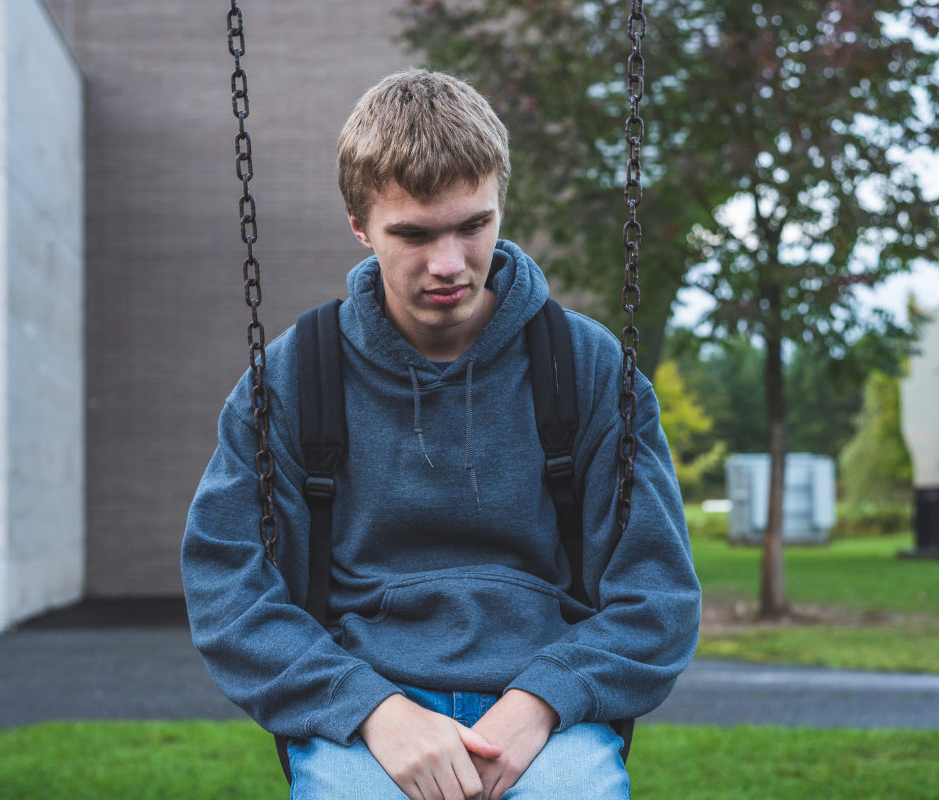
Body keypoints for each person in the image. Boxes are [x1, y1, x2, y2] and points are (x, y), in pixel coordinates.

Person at [182, 69, 700, 800]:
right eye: (414, 234)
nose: (449, 264)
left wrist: (542, 703)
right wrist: (372, 711)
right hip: (366, 711)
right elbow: (227, 589)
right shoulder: (295, 379)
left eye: (473, 226)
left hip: (544, 710)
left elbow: (660, 598)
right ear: (360, 226)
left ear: (500, 203)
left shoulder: (586, 371)